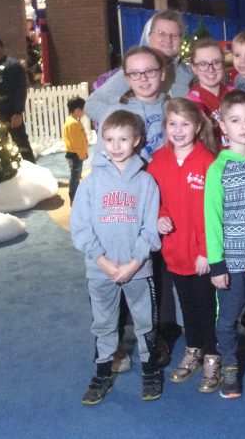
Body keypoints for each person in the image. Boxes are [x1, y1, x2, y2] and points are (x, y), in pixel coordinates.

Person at [70, 109, 162, 405]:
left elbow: (150, 230)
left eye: (123, 139)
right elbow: (80, 227)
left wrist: (134, 264)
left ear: (136, 140)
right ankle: (102, 372)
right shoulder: (91, 183)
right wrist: (102, 260)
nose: (116, 146)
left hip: (138, 270)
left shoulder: (146, 183)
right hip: (101, 271)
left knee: (145, 322)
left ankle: (150, 369)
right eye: (109, 139)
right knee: (104, 324)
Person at [97, 45, 173, 371]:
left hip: (162, 200)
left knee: (152, 275)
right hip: (125, 207)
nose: (143, 78)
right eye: (135, 73)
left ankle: (154, 336)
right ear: (126, 78)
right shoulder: (116, 112)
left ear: (162, 73)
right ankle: (112, 342)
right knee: (119, 271)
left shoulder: (172, 107)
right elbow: (101, 163)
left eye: (150, 71)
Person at [147, 98, 221, 394]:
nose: (178, 130)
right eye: (172, 124)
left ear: (198, 127)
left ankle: (213, 355)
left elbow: (212, 213)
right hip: (173, 252)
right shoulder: (158, 161)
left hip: (201, 255)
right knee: (186, 306)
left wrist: (206, 251)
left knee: (206, 308)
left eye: (185, 124)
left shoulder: (208, 162)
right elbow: (152, 200)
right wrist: (159, 216)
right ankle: (193, 350)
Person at [204, 90, 245, 400]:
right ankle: (229, 363)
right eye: (236, 120)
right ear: (223, 126)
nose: (244, 126)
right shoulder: (218, 168)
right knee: (228, 317)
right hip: (230, 263)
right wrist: (217, 265)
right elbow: (212, 219)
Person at [85, 9, 194, 123]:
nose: (168, 39)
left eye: (174, 36)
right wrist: (128, 126)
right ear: (150, 36)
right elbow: (92, 105)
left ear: (181, 41)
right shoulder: (136, 71)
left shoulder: (185, 72)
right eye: (161, 33)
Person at [0, 37, 35, 162]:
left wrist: (18, 112)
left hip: (11, 114)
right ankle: (5, 169)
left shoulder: (13, 65)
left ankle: (33, 168)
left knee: (21, 143)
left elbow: (20, 89)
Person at [187, 38, 233, 149]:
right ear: (194, 68)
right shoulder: (192, 100)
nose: (211, 69)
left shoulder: (233, 93)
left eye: (216, 62)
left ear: (223, 64)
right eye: (203, 64)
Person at [63, 96, 89, 205]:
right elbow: (76, 142)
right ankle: (74, 197)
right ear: (77, 110)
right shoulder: (73, 124)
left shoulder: (72, 121)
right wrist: (82, 154)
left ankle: (75, 195)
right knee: (75, 176)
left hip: (75, 153)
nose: (84, 112)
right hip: (76, 155)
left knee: (76, 175)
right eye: (83, 110)